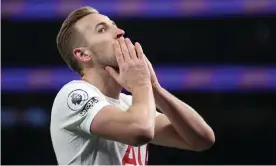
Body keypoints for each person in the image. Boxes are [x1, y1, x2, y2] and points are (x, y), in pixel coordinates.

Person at [50, 6, 215, 165]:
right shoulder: (73, 94)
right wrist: (142, 85)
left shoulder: (131, 104)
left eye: (114, 25)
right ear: (83, 54)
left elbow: (202, 140)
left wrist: (155, 89)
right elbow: (141, 130)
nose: (120, 32)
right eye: (102, 29)